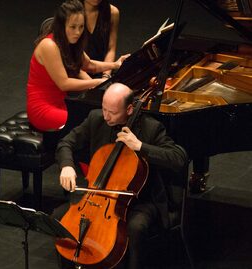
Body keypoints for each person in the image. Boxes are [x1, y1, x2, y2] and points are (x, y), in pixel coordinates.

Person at [56, 83, 188, 269]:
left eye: (112, 112)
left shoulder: (151, 128)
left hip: (140, 200)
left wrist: (140, 146)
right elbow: (66, 143)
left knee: (135, 228)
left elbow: (178, 158)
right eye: (104, 108)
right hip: (99, 195)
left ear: (129, 109)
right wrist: (66, 166)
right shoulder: (96, 118)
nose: (106, 116)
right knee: (60, 218)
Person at [26, 0, 129, 131]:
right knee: (92, 123)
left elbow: (90, 65)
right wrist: (97, 82)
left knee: (98, 119)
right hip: (42, 109)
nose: (78, 32)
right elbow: (64, 83)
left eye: (81, 27)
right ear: (61, 25)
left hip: (62, 103)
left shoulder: (70, 42)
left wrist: (116, 64)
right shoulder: (49, 45)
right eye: (73, 27)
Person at [81, 0, 120, 79]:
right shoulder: (71, 13)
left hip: (102, 68)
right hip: (77, 72)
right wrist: (92, 83)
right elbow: (71, 59)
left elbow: (111, 49)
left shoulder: (112, 12)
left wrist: (105, 77)